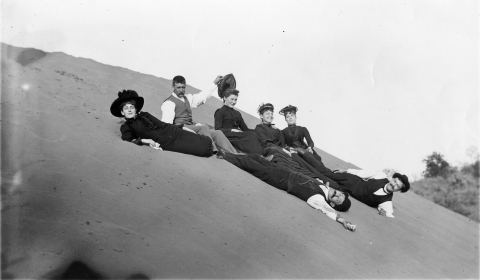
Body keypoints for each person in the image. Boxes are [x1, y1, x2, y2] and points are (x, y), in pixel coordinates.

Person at [217, 150, 356, 231]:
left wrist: (343, 221)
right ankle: (230, 153)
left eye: (338, 200)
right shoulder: (323, 186)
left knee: (252, 165)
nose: (337, 194)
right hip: (283, 171)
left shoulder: (318, 199)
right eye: (340, 194)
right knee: (256, 158)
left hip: (280, 180)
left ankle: (225, 156)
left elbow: (329, 212)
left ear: (332, 203)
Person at [255, 103, 340, 188]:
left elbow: (285, 144)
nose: (270, 115)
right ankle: (328, 183)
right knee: (307, 168)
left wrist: (309, 147)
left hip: (303, 151)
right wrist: (287, 150)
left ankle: (335, 180)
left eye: (271, 113)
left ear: (296, 117)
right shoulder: (275, 130)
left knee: (320, 168)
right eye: (267, 113)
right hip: (290, 152)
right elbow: (276, 143)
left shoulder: (284, 130)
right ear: (261, 116)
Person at [110, 89, 213, 157]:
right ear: (122, 112)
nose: (129, 110)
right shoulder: (126, 126)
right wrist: (146, 141)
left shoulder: (144, 114)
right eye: (126, 108)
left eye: (131, 107)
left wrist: (181, 127)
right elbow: (129, 140)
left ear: (136, 109)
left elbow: (161, 123)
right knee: (203, 149)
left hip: (173, 131)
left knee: (205, 141)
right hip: (167, 142)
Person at [160, 75, 237, 154]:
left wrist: (214, 84)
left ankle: (235, 154)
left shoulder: (187, 98)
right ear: (173, 87)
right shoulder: (169, 103)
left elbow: (201, 96)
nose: (181, 90)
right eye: (178, 87)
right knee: (203, 127)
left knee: (217, 133)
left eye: (183, 87)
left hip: (192, 128)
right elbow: (167, 125)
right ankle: (213, 151)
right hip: (181, 132)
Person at [325, 169, 410, 218]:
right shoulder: (381, 175)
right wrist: (346, 170)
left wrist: (384, 212)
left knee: (326, 182)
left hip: (344, 192)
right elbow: (362, 173)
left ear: (398, 190)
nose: (393, 184)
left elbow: (389, 213)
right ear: (392, 178)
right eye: (394, 181)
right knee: (326, 173)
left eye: (397, 186)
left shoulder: (387, 201)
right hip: (351, 180)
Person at [214, 75, 263, 154]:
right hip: (228, 136)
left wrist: (259, 130)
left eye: (235, 100)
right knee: (252, 136)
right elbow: (217, 129)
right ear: (225, 98)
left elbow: (245, 129)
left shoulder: (237, 113)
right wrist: (231, 130)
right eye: (232, 99)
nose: (234, 102)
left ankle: (260, 154)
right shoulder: (220, 112)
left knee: (255, 135)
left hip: (238, 135)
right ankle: (259, 155)